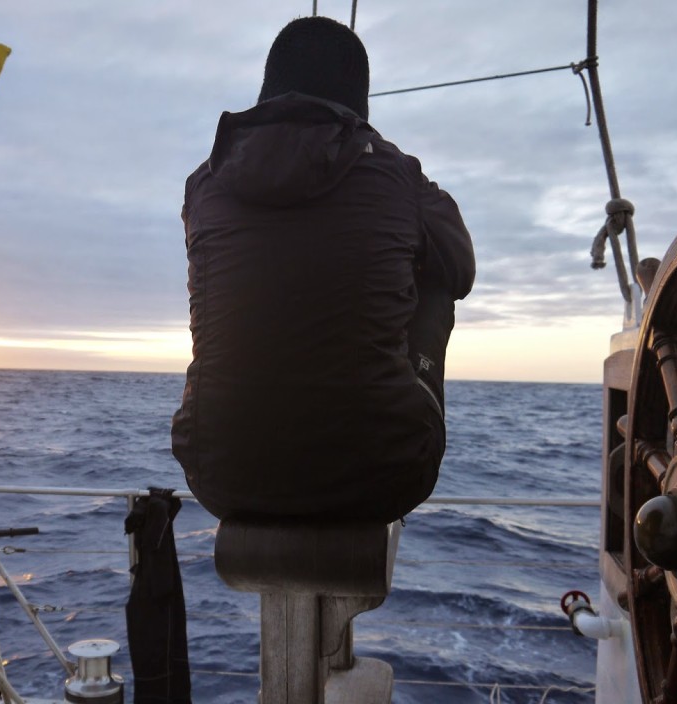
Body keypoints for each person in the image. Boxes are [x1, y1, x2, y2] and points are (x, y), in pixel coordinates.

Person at [172, 16, 475, 523]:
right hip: (387, 477)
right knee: (438, 280)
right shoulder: (399, 175)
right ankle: (385, 418)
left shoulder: (204, 184)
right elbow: (461, 271)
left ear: (268, 91)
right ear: (360, 102)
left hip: (217, 475)